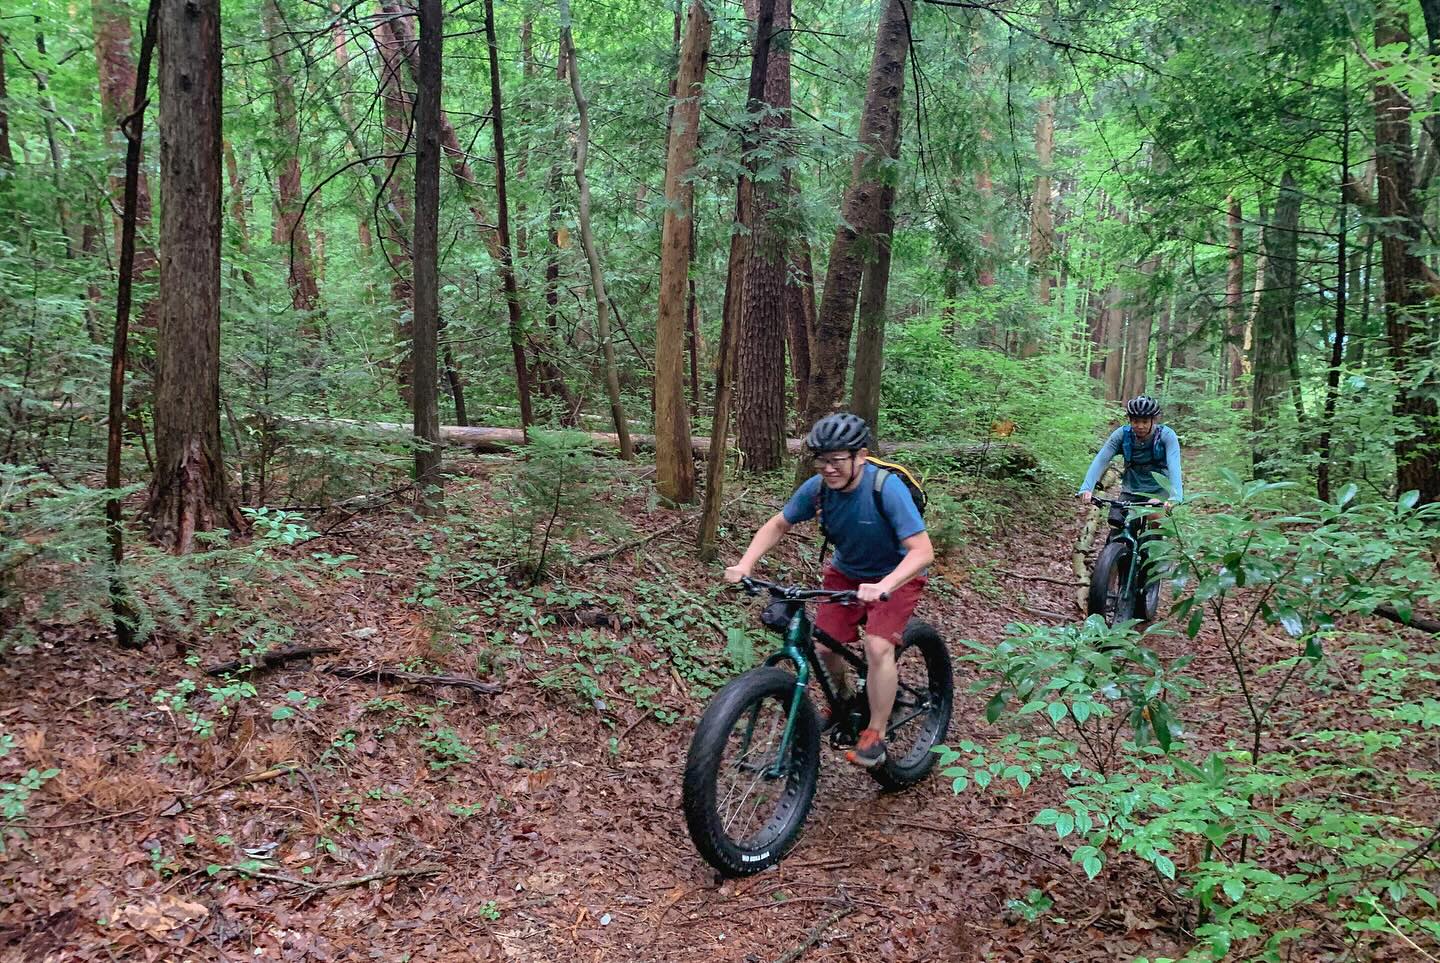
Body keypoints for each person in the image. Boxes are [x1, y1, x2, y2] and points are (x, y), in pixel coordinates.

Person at [723, 412, 934, 768]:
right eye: (821, 460)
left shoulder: (887, 489)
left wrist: (884, 585)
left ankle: (875, 733)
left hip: (897, 575)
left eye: (837, 460)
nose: (828, 468)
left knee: (878, 646)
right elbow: (778, 524)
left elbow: (922, 551)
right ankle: (846, 699)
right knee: (823, 645)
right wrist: (745, 564)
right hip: (847, 572)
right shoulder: (818, 489)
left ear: (861, 457)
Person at [1077, 395, 1183, 508]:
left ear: (1153, 420)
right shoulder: (1122, 435)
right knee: (1116, 521)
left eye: (1145, 421)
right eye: (1136, 421)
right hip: (1131, 489)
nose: (1140, 426)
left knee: (1153, 512)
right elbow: (1101, 460)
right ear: (1130, 420)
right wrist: (1087, 488)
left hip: (1159, 489)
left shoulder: (1166, 435)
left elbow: (1174, 465)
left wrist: (1175, 496)